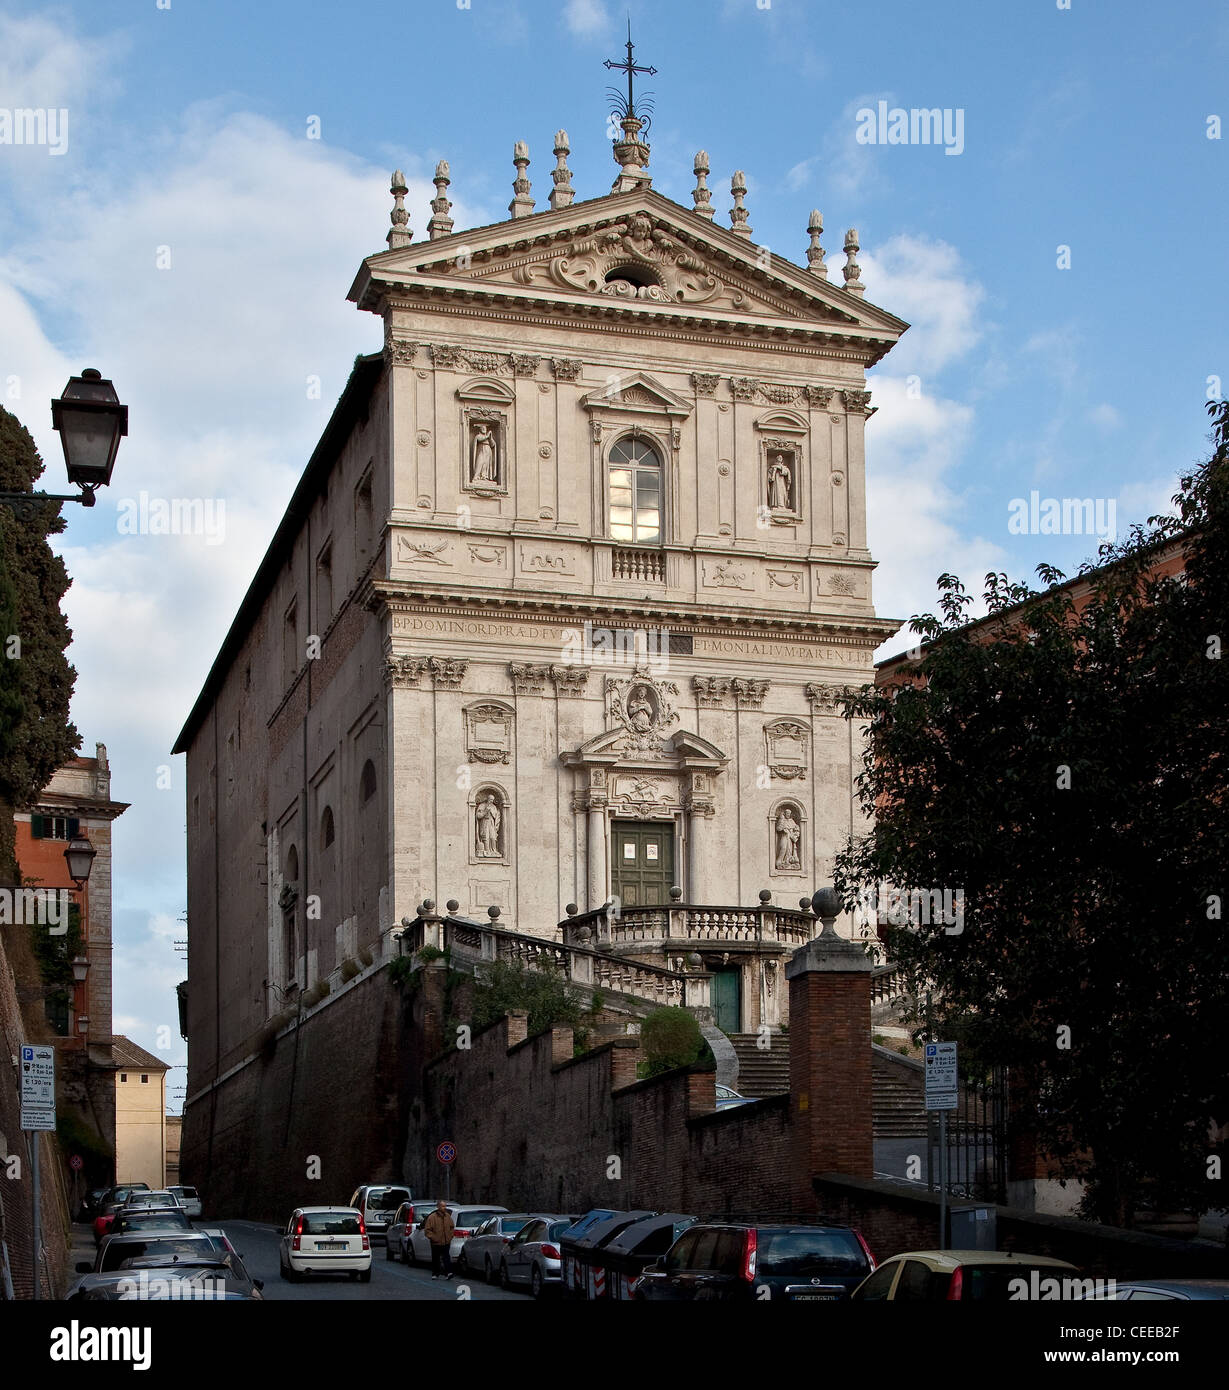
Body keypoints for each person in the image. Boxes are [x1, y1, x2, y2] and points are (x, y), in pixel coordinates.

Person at [423, 1200, 455, 1279]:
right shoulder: (432, 1217)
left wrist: (450, 1236)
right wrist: (434, 1238)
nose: (444, 1208)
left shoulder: (447, 1216)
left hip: (446, 1241)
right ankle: (435, 1273)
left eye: (445, 1206)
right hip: (435, 1242)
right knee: (435, 1258)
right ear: (438, 1207)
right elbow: (427, 1230)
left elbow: (451, 1227)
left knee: (446, 1257)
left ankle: (448, 1273)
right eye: (443, 1206)